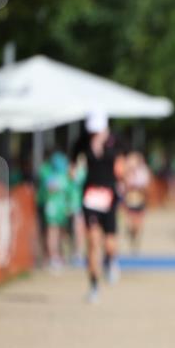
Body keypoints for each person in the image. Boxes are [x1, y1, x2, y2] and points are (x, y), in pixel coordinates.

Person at [70, 110, 124, 303]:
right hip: (90, 196)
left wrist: (123, 176)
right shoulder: (82, 141)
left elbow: (123, 165)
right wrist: (74, 173)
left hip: (109, 195)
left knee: (109, 241)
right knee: (92, 241)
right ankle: (93, 285)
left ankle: (111, 262)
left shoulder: (115, 141)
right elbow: (73, 165)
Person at [37, 151, 73, 271]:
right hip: (52, 207)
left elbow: (68, 192)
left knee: (60, 233)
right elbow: (50, 188)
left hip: (61, 208)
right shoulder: (48, 173)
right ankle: (52, 256)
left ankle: (57, 255)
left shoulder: (64, 176)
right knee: (52, 232)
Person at [122, 150, 151, 253]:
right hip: (129, 200)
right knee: (130, 221)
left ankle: (135, 236)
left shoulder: (143, 171)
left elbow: (146, 186)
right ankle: (130, 232)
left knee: (138, 224)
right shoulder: (127, 171)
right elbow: (124, 186)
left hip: (140, 199)